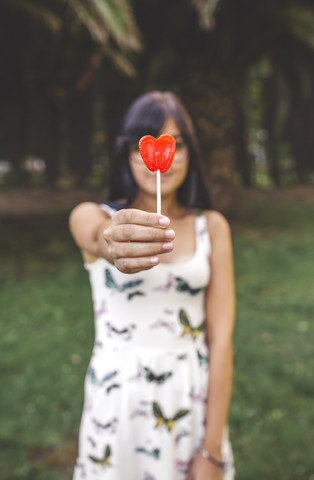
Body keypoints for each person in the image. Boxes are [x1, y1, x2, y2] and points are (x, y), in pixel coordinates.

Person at [69, 91, 235, 480]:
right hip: (118, 404)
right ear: (128, 154)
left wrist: (211, 450)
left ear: (190, 154)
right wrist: (112, 241)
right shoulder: (94, 216)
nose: (163, 159)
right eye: (148, 144)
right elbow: (96, 236)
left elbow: (222, 340)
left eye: (176, 145)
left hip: (188, 399)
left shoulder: (212, 227)